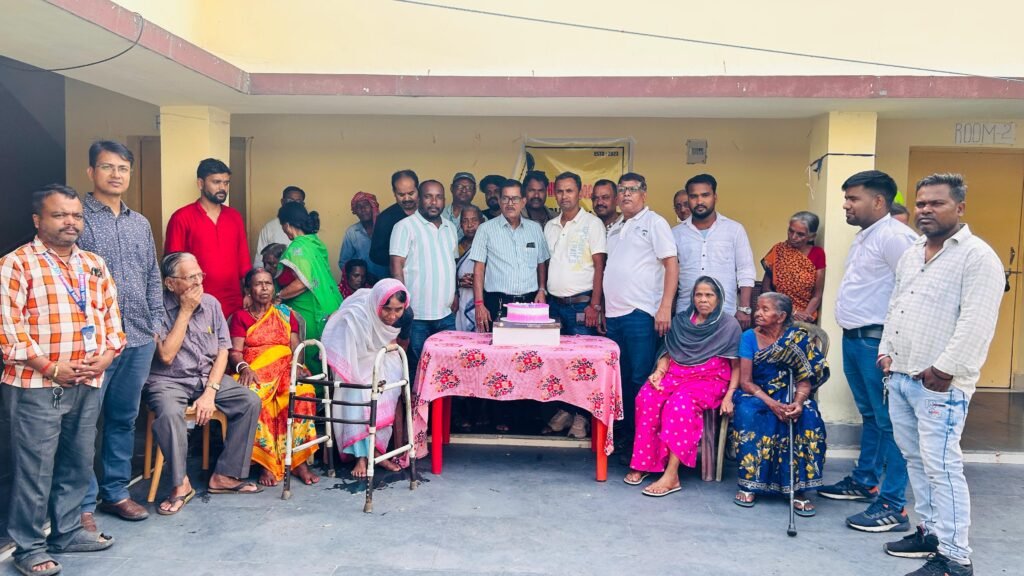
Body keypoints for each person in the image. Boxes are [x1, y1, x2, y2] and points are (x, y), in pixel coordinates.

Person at [879, 174, 1003, 576]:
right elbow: (896, 304)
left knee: (942, 467)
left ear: (960, 208)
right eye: (921, 204)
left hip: (940, 384)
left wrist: (944, 369)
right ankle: (931, 533)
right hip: (901, 375)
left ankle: (955, 557)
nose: (926, 210)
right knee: (916, 460)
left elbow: (977, 323)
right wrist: (885, 352)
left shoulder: (978, 257)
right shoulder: (913, 252)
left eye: (937, 203)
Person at [1, 184, 124, 575]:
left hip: (88, 380)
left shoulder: (94, 264)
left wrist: (106, 356)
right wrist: (50, 366)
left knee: (77, 462)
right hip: (37, 384)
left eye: (76, 215)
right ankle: (29, 546)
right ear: (38, 220)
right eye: (60, 215)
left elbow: (111, 319)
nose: (70, 222)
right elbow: (9, 329)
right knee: (34, 469)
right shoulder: (16, 263)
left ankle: (67, 531)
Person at [818, 170, 917, 533]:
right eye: (846, 198)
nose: (846, 205)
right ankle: (865, 481)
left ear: (877, 201)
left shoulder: (895, 237)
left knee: (891, 422)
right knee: (872, 416)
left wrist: (891, 345)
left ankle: (892, 504)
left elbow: (913, 291)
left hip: (877, 342)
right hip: (857, 339)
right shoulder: (867, 235)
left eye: (852, 198)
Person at [77, 141, 159, 527]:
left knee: (123, 419)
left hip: (138, 337)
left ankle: (115, 493)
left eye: (123, 168)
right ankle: (81, 504)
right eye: (107, 167)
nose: (116, 175)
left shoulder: (139, 223)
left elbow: (152, 275)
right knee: (83, 423)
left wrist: (156, 324)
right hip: (94, 342)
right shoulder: (77, 219)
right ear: (91, 172)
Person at [145, 252, 262, 515]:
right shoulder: (156, 307)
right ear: (170, 283)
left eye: (200, 275)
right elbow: (166, 355)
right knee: (169, 413)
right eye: (190, 277)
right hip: (168, 380)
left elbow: (223, 351)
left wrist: (210, 392)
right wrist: (185, 311)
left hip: (205, 378)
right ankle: (180, 484)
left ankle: (225, 475)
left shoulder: (211, 304)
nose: (199, 282)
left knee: (249, 401)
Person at [624, 277, 742, 496]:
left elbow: (737, 366)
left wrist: (730, 395)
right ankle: (645, 463)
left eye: (709, 295)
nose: (703, 300)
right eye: (699, 295)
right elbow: (668, 352)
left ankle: (672, 475)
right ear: (692, 297)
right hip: (676, 374)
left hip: (709, 380)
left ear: (719, 298)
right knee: (647, 396)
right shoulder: (681, 321)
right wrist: (659, 372)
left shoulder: (728, 326)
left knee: (678, 405)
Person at [731, 292, 829, 516]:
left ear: (781, 316)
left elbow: (805, 380)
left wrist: (798, 402)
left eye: (765, 309)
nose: (758, 313)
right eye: (757, 308)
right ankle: (750, 484)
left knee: (809, 416)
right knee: (750, 413)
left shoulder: (797, 339)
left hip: (789, 394)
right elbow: (746, 382)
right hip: (757, 393)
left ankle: (797, 489)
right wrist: (772, 403)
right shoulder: (749, 337)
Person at [470, 178, 551, 433]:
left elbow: (541, 262)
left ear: (523, 201)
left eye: (515, 198)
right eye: (505, 198)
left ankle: (526, 417)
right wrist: (479, 303)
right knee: (499, 361)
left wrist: (541, 289)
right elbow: (479, 268)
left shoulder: (534, 229)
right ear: (499, 200)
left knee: (530, 359)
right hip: (497, 302)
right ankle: (499, 416)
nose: (510, 203)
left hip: (529, 302)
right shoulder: (486, 229)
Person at [604, 172, 678, 446]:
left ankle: (643, 441)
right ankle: (625, 437)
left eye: (632, 189)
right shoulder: (615, 227)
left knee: (640, 378)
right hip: (614, 316)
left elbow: (671, 265)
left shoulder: (655, 223)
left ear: (643, 194)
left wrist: (665, 306)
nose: (626, 194)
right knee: (620, 379)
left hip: (641, 313)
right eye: (622, 189)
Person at [229, 268, 320, 487]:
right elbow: (235, 353)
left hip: (286, 368)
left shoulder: (286, 315)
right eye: (258, 284)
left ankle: (298, 462)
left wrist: (298, 366)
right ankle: (266, 464)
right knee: (255, 400)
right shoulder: (241, 317)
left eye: (268, 283)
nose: (264, 288)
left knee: (303, 393)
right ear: (248, 289)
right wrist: (244, 368)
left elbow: (296, 347)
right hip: (254, 372)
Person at [542, 171, 607, 438]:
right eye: (559, 191)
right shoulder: (550, 226)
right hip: (555, 306)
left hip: (582, 305)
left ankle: (581, 417)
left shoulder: (592, 224)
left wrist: (595, 305)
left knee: (583, 364)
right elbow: (545, 263)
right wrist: (542, 290)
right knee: (560, 365)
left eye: (569, 191)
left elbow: (600, 266)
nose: (564, 196)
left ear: (580, 193)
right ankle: (565, 411)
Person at [324, 279, 409, 477]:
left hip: (385, 358)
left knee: (383, 389)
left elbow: (400, 345)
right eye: (387, 309)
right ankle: (361, 457)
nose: (392, 316)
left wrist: (385, 352)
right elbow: (344, 343)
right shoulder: (359, 313)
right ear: (377, 303)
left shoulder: (407, 315)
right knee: (359, 392)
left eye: (398, 310)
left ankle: (377, 452)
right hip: (357, 359)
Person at [164, 158, 250, 318]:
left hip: (234, 303)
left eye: (226, 183)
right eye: (216, 182)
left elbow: (244, 262)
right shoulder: (181, 217)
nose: (222, 188)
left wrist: (249, 293)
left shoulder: (234, 217)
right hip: (197, 303)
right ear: (200, 183)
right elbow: (173, 266)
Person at [390, 179, 458, 369]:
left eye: (439, 197)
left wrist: (455, 294)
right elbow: (396, 266)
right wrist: (402, 305)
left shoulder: (450, 228)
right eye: (428, 197)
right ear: (419, 199)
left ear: (444, 200)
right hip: (416, 316)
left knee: (448, 368)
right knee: (417, 368)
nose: (434, 202)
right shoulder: (404, 226)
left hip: (446, 315)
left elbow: (451, 264)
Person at [674, 173, 756, 327]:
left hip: (726, 312)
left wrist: (744, 308)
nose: (699, 201)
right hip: (686, 313)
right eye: (693, 196)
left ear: (715, 197)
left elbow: (746, 270)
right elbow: (669, 275)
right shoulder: (676, 234)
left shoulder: (734, 230)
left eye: (705, 195)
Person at [277, 202, 343, 375]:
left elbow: (302, 282)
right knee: (329, 357)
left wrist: (278, 295)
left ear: (287, 225)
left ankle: (315, 390)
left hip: (311, 311)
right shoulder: (315, 243)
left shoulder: (297, 248)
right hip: (332, 305)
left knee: (311, 354)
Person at [761, 211, 826, 323]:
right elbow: (766, 289)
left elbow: (817, 295)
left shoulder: (817, 254)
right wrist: (792, 312)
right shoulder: (778, 250)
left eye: (800, 234)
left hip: (805, 317)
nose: (793, 237)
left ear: (812, 237)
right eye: (791, 231)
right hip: (777, 313)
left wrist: (805, 315)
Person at [369, 170, 419, 276]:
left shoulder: (428, 212)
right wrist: (401, 258)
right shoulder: (385, 219)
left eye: (411, 193)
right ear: (394, 192)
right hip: (398, 276)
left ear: (418, 189)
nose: (406, 198)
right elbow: (375, 255)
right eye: (401, 194)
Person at [338, 191, 388, 281]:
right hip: (362, 285)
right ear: (355, 211)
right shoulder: (352, 232)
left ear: (373, 207)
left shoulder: (386, 228)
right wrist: (363, 277)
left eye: (366, 205)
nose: (363, 209)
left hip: (387, 282)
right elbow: (343, 263)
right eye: (358, 207)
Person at [253, 186, 305, 268]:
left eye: (298, 202)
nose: (294, 205)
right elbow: (260, 261)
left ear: (303, 205)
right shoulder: (269, 228)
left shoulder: (308, 228)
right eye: (290, 201)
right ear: (282, 202)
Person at [454, 205, 483, 332]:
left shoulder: (489, 246)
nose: (470, 225)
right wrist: (459, 282)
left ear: (482, 222)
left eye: (474, 220)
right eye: (465, 221)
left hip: (483, 301)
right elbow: (448, 272)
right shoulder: (456, 247)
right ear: (461, 225)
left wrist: (479, 280)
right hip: (461, 301)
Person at [441, 172, 484, 239]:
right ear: (451, 188)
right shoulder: (440, 214)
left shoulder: (481, 219)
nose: (464, 190)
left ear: (474, 191)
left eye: (469, 187)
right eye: (459, 186)